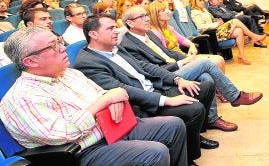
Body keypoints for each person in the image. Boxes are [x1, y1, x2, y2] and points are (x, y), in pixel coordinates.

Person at [0, 27, 189, 166]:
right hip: (84, 151)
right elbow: (64, 133)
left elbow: (106, 92)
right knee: (154, 153)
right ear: (31, 61)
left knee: (173, 125)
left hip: (113, 126)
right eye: (53, 46)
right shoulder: (21, 98)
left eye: (59, 41)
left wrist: (110, 97)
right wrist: (104, 101)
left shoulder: (68, 73)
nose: (63, 48)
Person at [73, 15, 219, 165]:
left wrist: (177, 79)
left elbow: (145, 66)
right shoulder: (87, 62)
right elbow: (122, 89)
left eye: (115, 27)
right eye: (110, 28)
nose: (116, 31)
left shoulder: (115, 47)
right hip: (142, 104)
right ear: (93, 34)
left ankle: (193, 137)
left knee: (206, 87)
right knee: (194, 109)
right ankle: (188, 157)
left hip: (156, 88)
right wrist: (166, 101)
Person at [120, 6, 263, 132]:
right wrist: (183, 63)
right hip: (165, 75)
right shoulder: (128, 44)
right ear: (130, 23)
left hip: (173, 66)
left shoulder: (149, 34)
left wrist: (184, 57)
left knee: (206, 77)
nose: (147, 18)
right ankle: (235, 96)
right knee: (205, 63)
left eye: (146, 15)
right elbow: (150, 70)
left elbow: (168, 53)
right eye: (141, 16)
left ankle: (211, 119)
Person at [190, 0, 266, 65]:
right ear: (194, 2)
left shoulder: (203, 10)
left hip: (216, 30)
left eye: (203, 0)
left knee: (239, 30)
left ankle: (241, 55)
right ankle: (254, 37)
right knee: (235, 21)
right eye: (200, 0)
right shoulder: (195, 12)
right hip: (210, 34)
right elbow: (201, 26)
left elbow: (211, 20)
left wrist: (217, 21)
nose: (203, 2)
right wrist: (216, 24)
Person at [146, 2, 226, 71]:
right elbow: (167, 55)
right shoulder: (155, 33)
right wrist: (187, 58)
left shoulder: (168, 27)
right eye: (163, 11)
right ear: (155, 15)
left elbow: (182, 39)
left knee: (219, 60)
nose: (167, 12)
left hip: (182, 56)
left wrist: (191, 45)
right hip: (177, 61)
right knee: (218, 60)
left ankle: (218, 89)